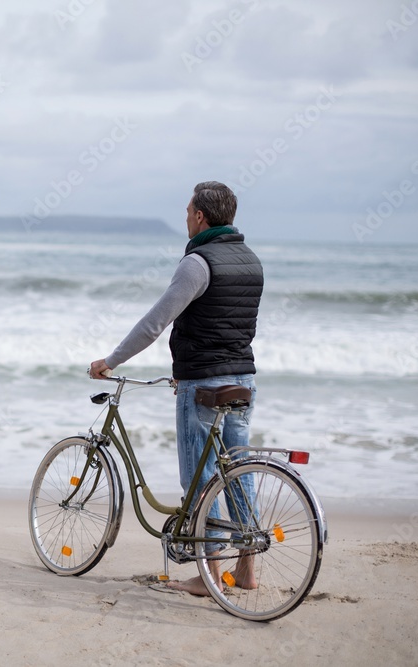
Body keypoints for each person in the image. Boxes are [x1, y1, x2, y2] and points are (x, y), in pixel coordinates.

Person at [89, 181, 263, 596]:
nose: (186, 217)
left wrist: (110, 361)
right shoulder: (251, 261)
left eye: (188, 211)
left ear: (200, 216)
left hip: (204, 383)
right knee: (237, 473)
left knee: (201, 479)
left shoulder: (198, 263)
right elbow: (231, 326)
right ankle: (247, 571)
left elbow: (154, 322)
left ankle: (207, 575)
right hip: (243, 379)